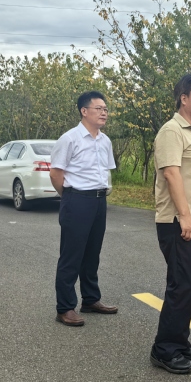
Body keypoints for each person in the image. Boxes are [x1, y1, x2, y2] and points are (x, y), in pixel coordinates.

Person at [150, 73, 191, 374]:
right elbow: (171, 174)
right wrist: (186, 216)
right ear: (183, 98)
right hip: (177, 221)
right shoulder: (172, 131)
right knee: (181, 283)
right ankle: (164, 349)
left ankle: (179, 340)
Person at [49, 91, 118, 326]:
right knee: (72, 255)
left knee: (92, 253)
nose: (104, 113)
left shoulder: (105, 141)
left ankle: (90, 299)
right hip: (77, 199)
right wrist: (70, 197)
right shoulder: (69, 139)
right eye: (99, 108)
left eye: (105, 109)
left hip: (99, 200)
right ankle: (65, 307)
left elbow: (105, 171)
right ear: (84, 111)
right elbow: (56, 174)